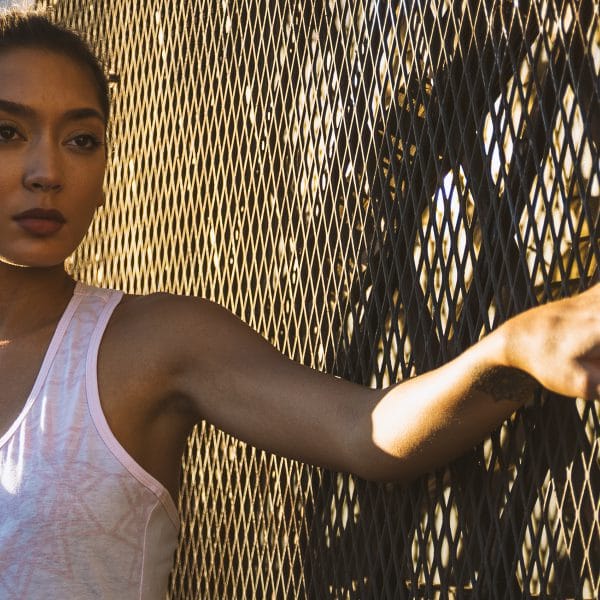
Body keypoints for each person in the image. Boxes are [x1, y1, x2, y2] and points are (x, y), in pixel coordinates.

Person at [0, 8, 597, 599]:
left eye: (81, 139)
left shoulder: (145, 344)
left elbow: (361, 431)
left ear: (104, 174)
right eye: (8, 132)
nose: (48, 171)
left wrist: (515, 347)